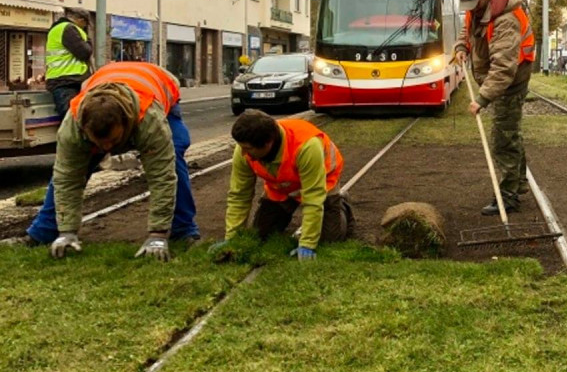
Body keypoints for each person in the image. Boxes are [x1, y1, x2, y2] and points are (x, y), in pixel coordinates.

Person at [26, 62, 200, 259]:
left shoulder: (149, 119)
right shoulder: (72, 126)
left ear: (127, 125)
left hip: (156, 88)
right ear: (84, 128)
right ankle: (44, 232)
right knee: (69, 171)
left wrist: (157, 234)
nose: (107, 149)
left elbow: (162, 177)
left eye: (113, 141)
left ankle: (184, 231)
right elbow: (67, 179)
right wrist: (67, 231)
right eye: (100, 143)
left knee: (173, 157)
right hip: (106, 84)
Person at [214, 110, 352, 261]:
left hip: (321, 183)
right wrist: (232, 238)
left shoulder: (307, 146)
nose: (243, 153)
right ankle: (285, 211)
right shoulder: (244, 150)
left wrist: (307, 243)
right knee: (261, 235)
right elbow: (239, 195)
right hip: (282, 189)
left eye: (248, 149)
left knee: (329, 240)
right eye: (242, 147)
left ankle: (341, 204)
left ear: (268, 143)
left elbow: (313, 197)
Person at [453, 0, 535, 216]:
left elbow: (503, 67)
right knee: (509, 132)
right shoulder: (478, 8)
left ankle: (508, 197)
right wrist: (461, 47)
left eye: (474, 5)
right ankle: (518, 183)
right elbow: (467, 29)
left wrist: (482, 99)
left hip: (512, 79)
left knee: (502, 138)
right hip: (500, 76)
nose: (471, 10)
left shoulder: (506, 19)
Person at [45, 7, 93, 120]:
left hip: (66, 81)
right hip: (66, 82)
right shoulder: (68, 28)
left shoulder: (61, 28)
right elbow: (84, 52)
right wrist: (88, 41)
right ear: (81, 20)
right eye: (85, 24)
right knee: (72, 119)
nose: (85, 27)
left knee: (75, 118)